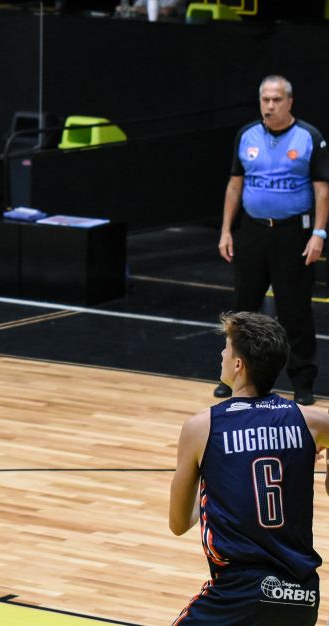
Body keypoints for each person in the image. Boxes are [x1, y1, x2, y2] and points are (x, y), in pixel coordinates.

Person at [169, 311, 329, 624]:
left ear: (238, 365)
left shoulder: (202, 427)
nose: (222, 354)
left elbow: (178, 523)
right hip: (300, 595)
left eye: (226, 348)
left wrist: (215, 478)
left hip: (238, 594)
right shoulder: (313, 422)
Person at [215, 75, 329, 406]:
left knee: (295, 310)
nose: (270, 105)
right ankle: (234, 379)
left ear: (289, 102)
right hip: (253, 231)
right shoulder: (246, 135)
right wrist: (226, 230)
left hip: (292, 233)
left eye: (276, 99)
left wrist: (319, 234)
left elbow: (322, 190)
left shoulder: (309, 137)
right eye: (265, 99)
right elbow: (235, 185)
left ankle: (303, 382)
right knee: (243, 310)